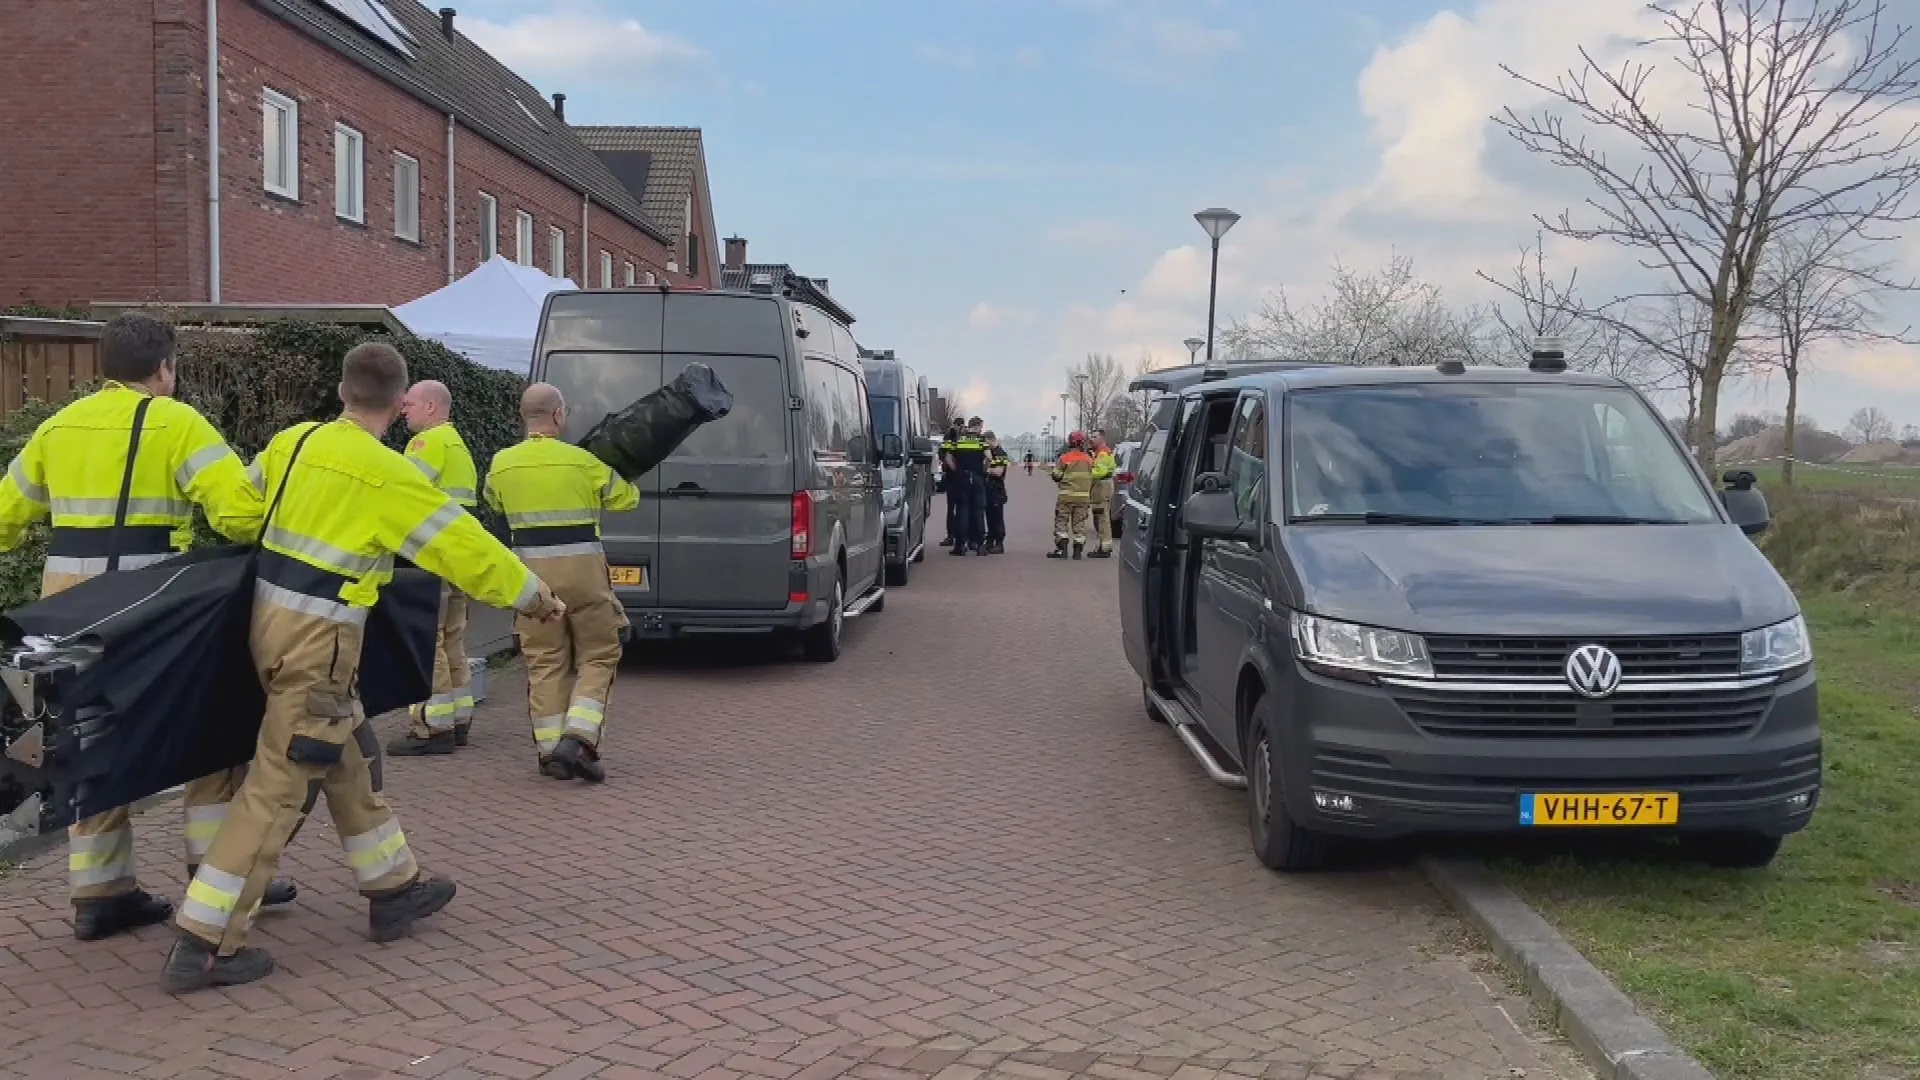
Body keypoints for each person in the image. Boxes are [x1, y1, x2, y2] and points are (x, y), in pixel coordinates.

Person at [162, 342, 565, 993]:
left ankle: (392, 886)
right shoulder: (388, 475)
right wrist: (535, 597)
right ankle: (207, 940)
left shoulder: (293, 443)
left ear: (345, 391)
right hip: (321, 645)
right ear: (397, 402)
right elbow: (464, 549)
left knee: (344, 752)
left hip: (265, 627)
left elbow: (238, 514)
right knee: (278, 786)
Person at [0, 313, 300, 942]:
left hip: (72, 607)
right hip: (154, 603)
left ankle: (101, 894)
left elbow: (5, 515)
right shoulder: (178, 422)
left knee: (90, 738)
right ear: (164, 368)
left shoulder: (58, 427)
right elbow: (239, 517)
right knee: (206, 731)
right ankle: (216, 875)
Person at [484, 383, 639, 783]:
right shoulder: (583, 462)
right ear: (558, 416)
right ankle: (580, 739)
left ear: (524, 416)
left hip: (532, 578)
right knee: (599, 655)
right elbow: (626, 499)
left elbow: (494, 503)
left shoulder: (501, 464)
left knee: (544, 662)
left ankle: (550, 751)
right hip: (584, 574)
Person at [386, 380, 481, 757]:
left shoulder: (427, 443)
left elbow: (400, 491)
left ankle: (431, 725)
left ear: (429, 406)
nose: (403, 410)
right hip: (457, 556)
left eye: (408, 404)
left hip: (431, 555)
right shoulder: (458, 446)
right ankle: (458, 719)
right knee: (453, 637)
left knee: (428, 639)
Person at [944, 418, 988, 555]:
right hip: (977, 478)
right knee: (978, 512)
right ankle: (980, 545)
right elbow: (989, 457)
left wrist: (956, 469)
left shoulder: (958, 440)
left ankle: (960, 546)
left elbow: (947, 457)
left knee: (962, 512)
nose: (981, 430)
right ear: (975, 427)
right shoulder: (981, 441)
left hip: (961, 478)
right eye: (980, 427)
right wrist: (983, 471)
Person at [1049, 432, 1096, 560]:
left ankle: (1062, 549)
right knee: (1080, 523)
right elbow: (1093, 474)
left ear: (1070, 442)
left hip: (1066, 496)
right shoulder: (1089, 459)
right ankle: (1077, 551)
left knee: (1062, 521)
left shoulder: (1064, 458)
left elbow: (1056, 476)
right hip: (1083, 497)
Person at [1087, 433, 1118, 559]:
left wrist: (1086, 472)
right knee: (1100, 516)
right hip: (1102, 485)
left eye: (1095, 437)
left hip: (1102, 486)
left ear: (1102, 439)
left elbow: (1100, 471)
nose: (1091, 439)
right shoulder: (1100, 452)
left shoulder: (1103, 453)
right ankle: (1101, 546)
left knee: (1102, 517)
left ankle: (1104, 547)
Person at [983, 432, 1009, 555]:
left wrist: (986, 470)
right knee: (989, 517)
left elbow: (999, 472)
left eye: (987, 443)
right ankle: (990, 540)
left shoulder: (1001, 454)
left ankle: (999, 543)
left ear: (992, 440)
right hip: (988, 489)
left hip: (996, 489)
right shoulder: (990, 453)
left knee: (997, 518)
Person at [939, 423, 962, 547]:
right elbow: (942, 453)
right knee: (953, 508)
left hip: (956, 476)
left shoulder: (958, 437)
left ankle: (957, 535)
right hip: (953, 477)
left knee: (959, 508)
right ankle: (951, 535)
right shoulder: (950, 437)